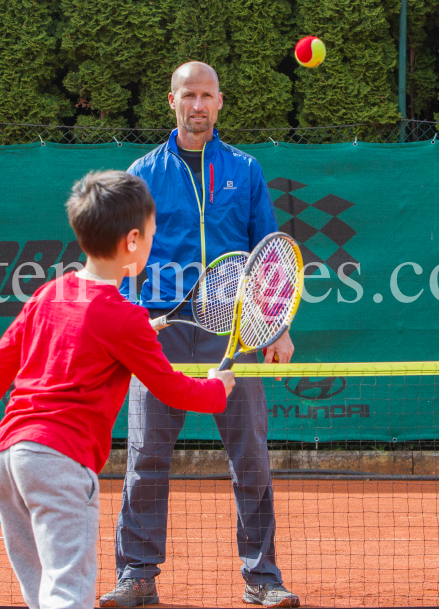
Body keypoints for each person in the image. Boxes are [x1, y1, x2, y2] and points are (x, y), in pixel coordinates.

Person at [0, 170, 236, 609]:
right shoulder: (125, 318)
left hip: (9, 460)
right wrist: (217, 389)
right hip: (60, 463)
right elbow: (173, 389)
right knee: (68, 593)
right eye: (153, 232)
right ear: (133, 241)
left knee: (43, 591)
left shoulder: (48, 294)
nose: (155, 240)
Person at [101, 62, 299, 608]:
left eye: (207, 95)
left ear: (219, 102)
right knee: (145, 458)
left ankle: (263, 579)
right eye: (188, 95)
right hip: (160, 336)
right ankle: (137, 576)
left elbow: (269, 256)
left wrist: (276, 324)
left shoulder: (246, 169)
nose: (198, 105)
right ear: (172, 100)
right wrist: (124, 317)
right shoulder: (143, 172)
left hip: (232, 335)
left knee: (251, 459)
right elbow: (123, 255)